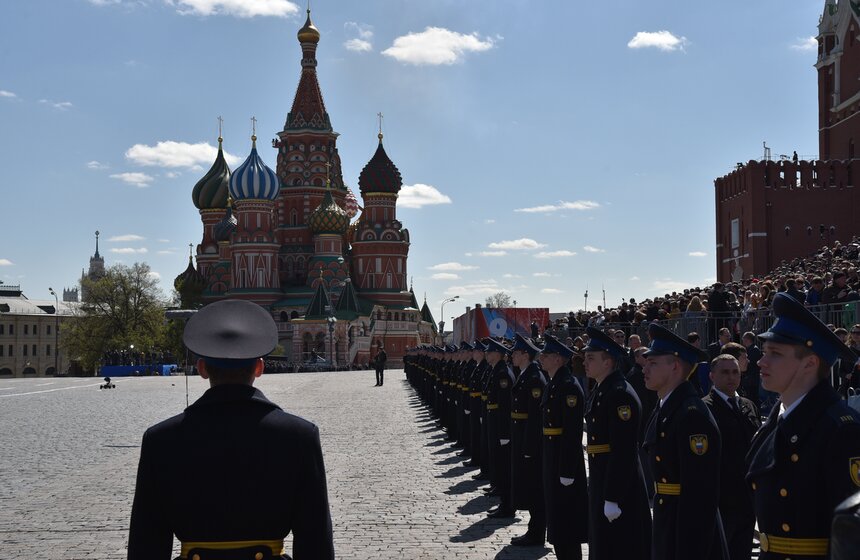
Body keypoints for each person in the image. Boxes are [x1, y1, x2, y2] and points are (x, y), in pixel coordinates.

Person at [127, 299, 334, 560]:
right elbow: (315, 540)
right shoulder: (299, 436)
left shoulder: (161, 439)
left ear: (202, 369)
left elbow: (146, 544)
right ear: (260, 368)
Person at [747, 293, 860, 560]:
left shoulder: (841, 430)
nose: (761, 362)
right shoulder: (778, 420)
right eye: (763, 352)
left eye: (774, 354)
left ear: (810, 363)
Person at [642, 323, 724, 560]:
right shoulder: (668, 406)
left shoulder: (691, 415)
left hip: (686, 530)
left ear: (675, 367)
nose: (645, 368)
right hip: (669, 517)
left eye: (653, 362)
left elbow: (699, 495)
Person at [582, 327, 652, 559]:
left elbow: (623, 450)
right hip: (603, 477)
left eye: (591, 358)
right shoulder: (604, 389)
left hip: (618, 485)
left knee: (618, 545)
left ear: (608, 362)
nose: (585, 362)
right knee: (603, 543)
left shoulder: (619, 394)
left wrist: (612, 496)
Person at [703, 355, 761, 560]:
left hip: (747, 496)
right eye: (725, 372)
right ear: (712, 376)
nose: (731, 377)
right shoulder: (705, 408)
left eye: (735, 372)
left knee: (742, 551)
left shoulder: (748, 405)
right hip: (721, 497)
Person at [538, 334, 588, 559]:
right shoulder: (554, 383)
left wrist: (566, 470)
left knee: (566, 524)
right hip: (552, 459)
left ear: (558, 359)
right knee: (557, 523)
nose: (541, 357)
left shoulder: (568, 386)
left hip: (563, 463)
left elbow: (572, 432)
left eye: (546, 355)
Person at [508, 334, 547, 546]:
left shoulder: (534, 378)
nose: (512, 355)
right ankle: (534, 529)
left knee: (534, 488)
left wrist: (529, 447)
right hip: (522, 437)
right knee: (529, 487)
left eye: (515, 352)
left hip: (529, 441)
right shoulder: (524, 374)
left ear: (525, 354)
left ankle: (537, 531)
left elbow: (535, 417)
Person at [484, 337, 516, 518]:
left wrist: (504, 432)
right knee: (499, 462)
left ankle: (507, 504)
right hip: (495, 422)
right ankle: (503, 500)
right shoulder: (497, 370)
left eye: (490, 351)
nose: (487, 354)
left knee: (504, 466)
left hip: (501, 425)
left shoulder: (503, 373)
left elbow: (505, 405)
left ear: (498, 354)